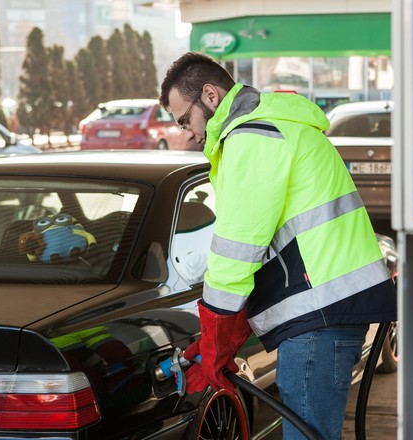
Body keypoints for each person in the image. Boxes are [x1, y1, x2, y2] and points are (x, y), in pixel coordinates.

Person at [159, 52, 397, 440]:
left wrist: (216, 334)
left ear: (210, 96)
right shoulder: (273, 127)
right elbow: (267, 246)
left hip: (319, 317)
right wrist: (224, 336)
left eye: (184, 119)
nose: (185, 132)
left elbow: (237, 248)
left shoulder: (253, 138)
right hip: (326, 312)